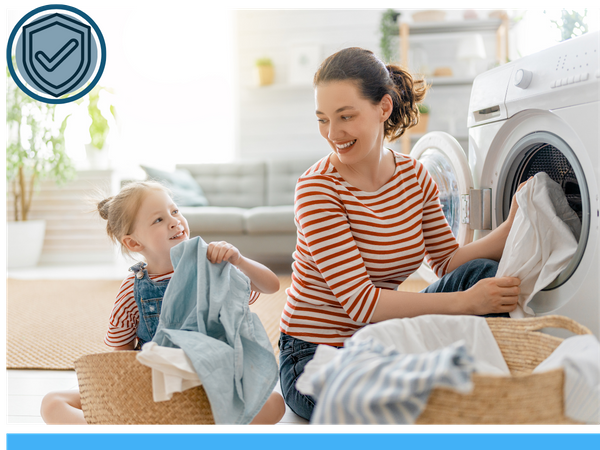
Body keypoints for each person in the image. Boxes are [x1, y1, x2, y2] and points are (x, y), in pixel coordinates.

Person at [279, 47, 526, 420]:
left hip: (384, 339)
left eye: (346, 116)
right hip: (316, 354)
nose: (332, 133)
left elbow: (446, 262)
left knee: (480, 276)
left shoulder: (414, 176)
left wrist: (514, 225)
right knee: (403, 410)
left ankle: (510, 380)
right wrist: (466, 303)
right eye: (323, 119)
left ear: (383, 108)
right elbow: (362, 304)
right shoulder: (317, 189)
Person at [40, 180, 285, 427]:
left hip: (209, 384)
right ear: (134, 243)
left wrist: (239, 259)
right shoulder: (131, 289)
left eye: (175, 211)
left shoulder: (213, 267)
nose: (174, 220)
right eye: (158, 220)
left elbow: (271, 286)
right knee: (52, 403)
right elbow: (119, 353)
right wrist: (122, 397)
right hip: (150, 384)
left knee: (274, 403)